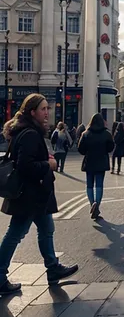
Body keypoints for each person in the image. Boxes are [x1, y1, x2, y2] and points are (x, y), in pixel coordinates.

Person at [0, 94, 78, 294]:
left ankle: (52, 269)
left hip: (36, 195)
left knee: (46, 229)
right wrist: (49, 164)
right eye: (43, 109)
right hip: (29, 196)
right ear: (32, 112)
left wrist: (44, 158)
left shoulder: (26, 131)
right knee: (15, 234)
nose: (46, 113)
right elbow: (26, 165)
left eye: (47, 108)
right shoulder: (30, 134)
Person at [78, 113, 115, 219]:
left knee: (89, 184)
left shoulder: (86, 134)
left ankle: (92, 203)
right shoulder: (106, 134)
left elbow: (81, 149)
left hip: (89, 161)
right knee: (99, 184)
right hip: (101, 161)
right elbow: (110, 148)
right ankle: (97, 205)